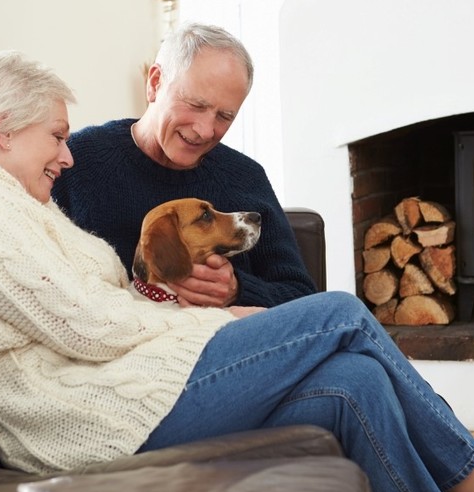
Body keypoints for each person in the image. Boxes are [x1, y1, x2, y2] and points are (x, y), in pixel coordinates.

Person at [0, 51, 474, 492]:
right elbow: (88, 326)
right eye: (54, 137)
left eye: (224, 115)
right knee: (341, 312)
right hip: (85, 417)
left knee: (356, 383)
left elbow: (99, 306)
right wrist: (218, 323)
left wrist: (227, 308)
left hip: (124, 387)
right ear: (1, 131)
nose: (66, 156)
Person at [51, 22, 315, 309]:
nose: (204, 130)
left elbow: (302, 297)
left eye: (224, 116)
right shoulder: (74, 162)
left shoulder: (246, 177)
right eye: (195, 104)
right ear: (154, 83)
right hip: (121, 344)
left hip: (238, 344)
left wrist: (237, 290)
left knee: (343, 311)